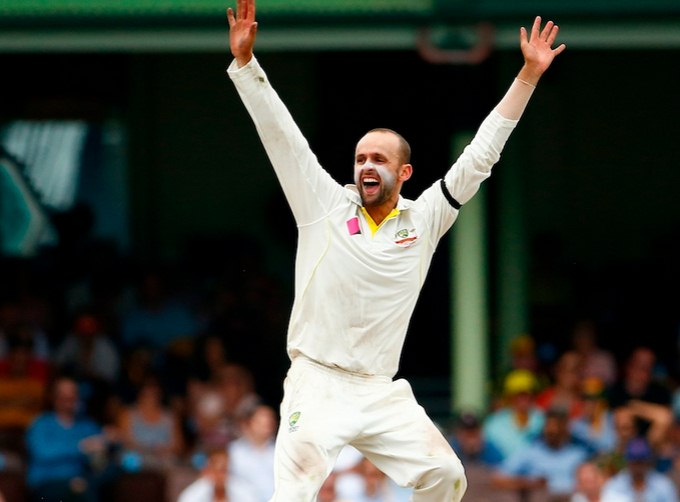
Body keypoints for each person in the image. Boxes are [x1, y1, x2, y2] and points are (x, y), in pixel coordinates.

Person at [226, 1, 566, 500]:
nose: (366, 165)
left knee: (447, 476)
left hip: (380, 391)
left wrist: (528, 76)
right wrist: (247, 64)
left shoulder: (426, 218)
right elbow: (283, 138)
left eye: (379, 159)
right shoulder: (322, 203)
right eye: (361, 157)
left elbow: (481, 155)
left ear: (404, 172)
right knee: (294, 491)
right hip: (316, 383)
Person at [600, 437, 679, 502]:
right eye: (634, 461)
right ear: (628, 462)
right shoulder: (614, 485)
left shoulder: (663, 485)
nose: (638, 467)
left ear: (648, 461)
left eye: (641, 461)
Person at [177, 447, 258, 502]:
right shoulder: (192, 495)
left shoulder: (244, 491)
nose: (220, 475)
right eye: (217, 471)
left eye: (224, 471)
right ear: (208, 471)